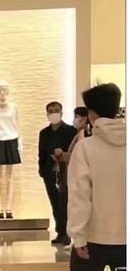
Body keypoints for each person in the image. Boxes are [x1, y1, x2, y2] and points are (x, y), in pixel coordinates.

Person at [67, 83, 126, 271]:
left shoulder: (85, 148)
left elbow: (80, 196)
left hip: (94, 241)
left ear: (91, 114)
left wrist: (78, 234)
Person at [38, 101, 76, 246]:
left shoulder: (70, 131)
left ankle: (67, 233)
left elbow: (73, 152)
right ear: (47, 114)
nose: (54, 113)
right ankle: (60, 231)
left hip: (65, 172)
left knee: (64, 202)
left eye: (56, 110)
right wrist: (42, 170)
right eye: (51, 111)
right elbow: (41, 153)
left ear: (61, 112)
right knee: (54, 202)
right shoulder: (44, 133)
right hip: (49, 172)